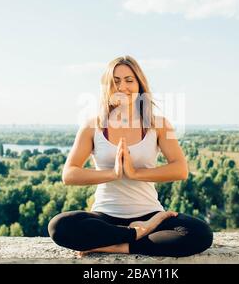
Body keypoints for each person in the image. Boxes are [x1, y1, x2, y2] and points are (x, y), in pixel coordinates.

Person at [48, 55, 213, 257]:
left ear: (139, 84)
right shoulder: (93, 126)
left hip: (149, 214)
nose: (122, 86)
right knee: (59, 226)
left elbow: (180, 169)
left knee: (200, 234)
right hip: (105, 217)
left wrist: (134, 173)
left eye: (129, 80)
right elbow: (69, 174)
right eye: (115, 81)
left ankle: (120, 244)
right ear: (107, 87)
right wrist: (114, 173)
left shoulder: (158, 124)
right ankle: (134, 233)